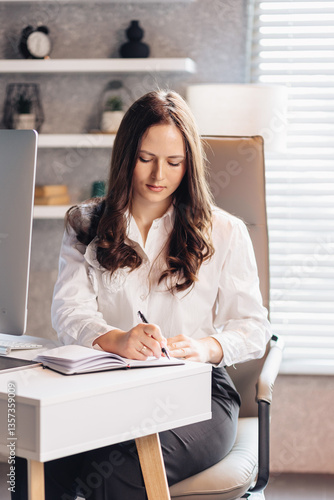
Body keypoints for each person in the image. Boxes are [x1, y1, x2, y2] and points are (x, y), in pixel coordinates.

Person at [13, 89, 272, 500]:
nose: (158, 176)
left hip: (200, 394)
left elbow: (255, 327)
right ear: (125, 157)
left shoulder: (224, 231)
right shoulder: (86, 224)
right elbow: (69, 310)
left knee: (116, 473)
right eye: (146, 159)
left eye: (174, 163)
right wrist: (117, 340)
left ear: (189, 165)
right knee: (34, 458)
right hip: (108, 388)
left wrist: (206, 347)